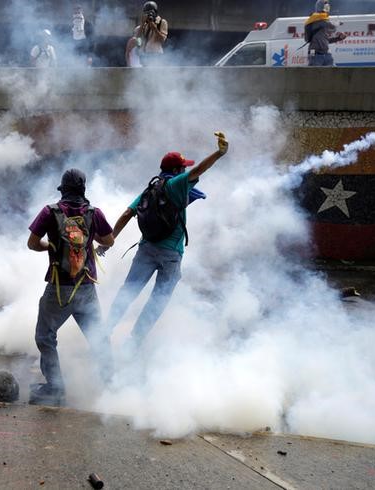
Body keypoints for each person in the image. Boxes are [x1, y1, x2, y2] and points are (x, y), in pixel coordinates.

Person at [98, 131, 229, 348]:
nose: (186, 170)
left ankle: (105, 331)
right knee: (158, 300)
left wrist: (108, 242)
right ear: (176, 171)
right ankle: (134, 342)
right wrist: (219, 153)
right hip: (171, 255)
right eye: (183, 167)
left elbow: (126, 214)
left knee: (128, 292)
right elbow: (198, 170)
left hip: (146, 249)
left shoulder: (151, 188)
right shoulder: (177, 184)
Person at [27, 168, 115, 405]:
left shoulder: (49, 211)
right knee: (97, 336)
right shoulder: (94, 213)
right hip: (86, 286)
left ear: (63, 189)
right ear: (83, 189)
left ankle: (55, 388)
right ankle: (113, 384)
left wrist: (50, 246)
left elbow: (32, 243)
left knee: (45, 336)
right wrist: (90, 242)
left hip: (59, 288)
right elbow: (109, 240)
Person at [304, 0, 347, 67]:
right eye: (326, 5)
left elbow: (326, 40)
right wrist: (337, 23)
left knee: (333, 75)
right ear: (321, 7)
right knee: (315, 76)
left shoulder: (322, 20)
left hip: (326, 54)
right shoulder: (316, 20)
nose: (328, 7)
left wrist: (338, 38)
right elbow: (329, 25)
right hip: (316, 55)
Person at [133, 1, 168, 66]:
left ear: (156, 12)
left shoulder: (161, 22)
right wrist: (142, 23)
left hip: (156, 54)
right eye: (147, 13)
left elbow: (162, 40)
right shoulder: (142, 25)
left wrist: (154, 28)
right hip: (144, 55)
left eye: (151, 12)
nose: (149, 15)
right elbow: (137, 40)